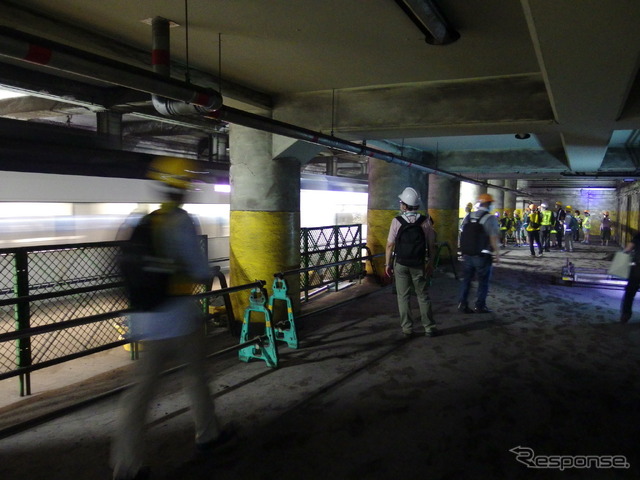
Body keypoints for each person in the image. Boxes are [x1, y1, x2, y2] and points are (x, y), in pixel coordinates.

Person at [111, 157, 234, 480]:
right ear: (183, 190)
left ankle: (127, 465)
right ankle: (208, 435)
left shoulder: (145, 221)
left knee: (140, 394)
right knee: (195, 377)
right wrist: (209, 272)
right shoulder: (180, 221)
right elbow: (195, 268)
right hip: (179, 319)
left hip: (145, 320)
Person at [385, 187, 438, 337]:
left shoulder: (396, 221)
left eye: (401, 202)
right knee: (423, 295)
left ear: (404, 205)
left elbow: (390, 245)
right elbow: (431, 245)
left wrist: (387, 264)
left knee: (403, 297)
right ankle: (429, 327)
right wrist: (430, 263)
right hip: (419, 264)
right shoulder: (425, 221)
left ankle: (407, 328)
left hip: (401, 264)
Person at [457, 193, 500, 314]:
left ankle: (462, 303)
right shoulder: (490, 218)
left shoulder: (469, 216)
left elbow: (462, 232)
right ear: (489, 204)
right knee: (483, 281)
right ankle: (480, 306)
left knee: (466, 280)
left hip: (467, 254)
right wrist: (497, 253)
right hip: (482, 256)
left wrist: (463, 249)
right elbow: (493, 237)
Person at [620, 232, 640, 323]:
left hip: (637, 267)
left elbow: (629, 248)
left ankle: (626, 314)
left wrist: (622, 254)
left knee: (630, 291)